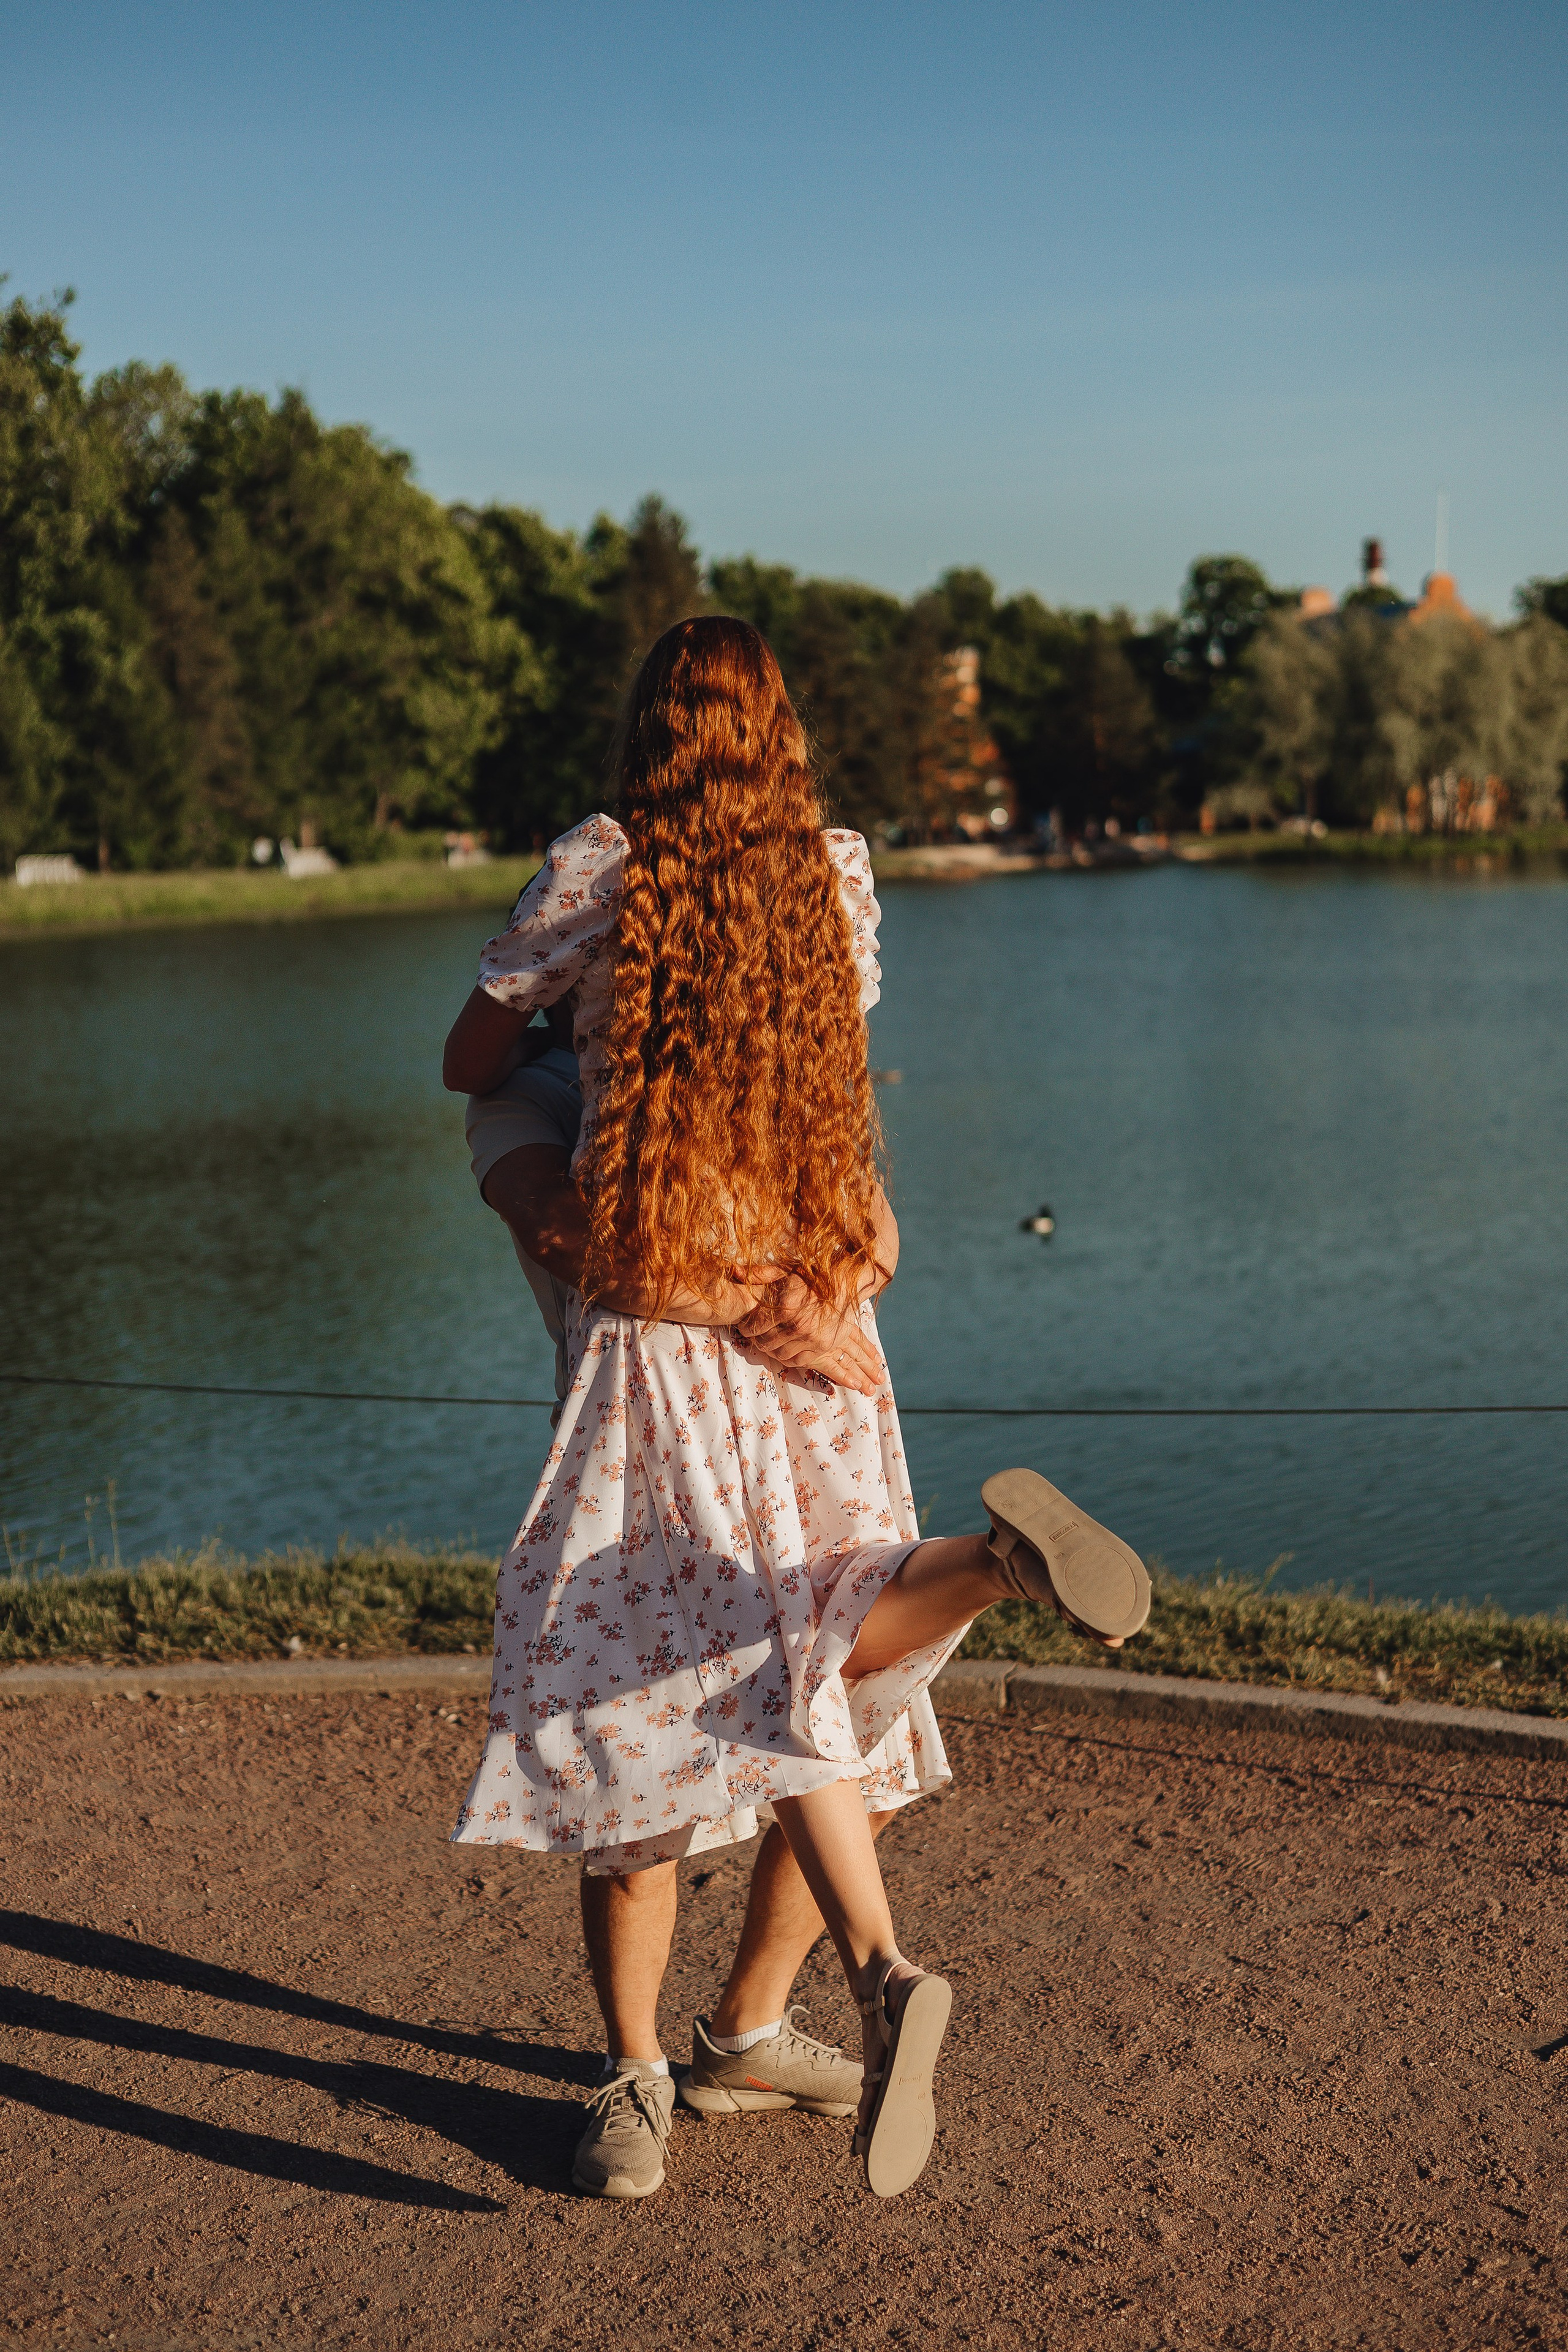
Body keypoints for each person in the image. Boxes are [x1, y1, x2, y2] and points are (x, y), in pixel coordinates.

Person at [443, 616, 1150, 2203]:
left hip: (665, 1323)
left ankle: (641, 2077)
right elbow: (825, 1054)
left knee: (637, 1696)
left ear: (646, 728)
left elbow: (470, 1056)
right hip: (830, 1304)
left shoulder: (607, 866)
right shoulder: (834, 874)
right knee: (827, 1645)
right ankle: (979, 1570)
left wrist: (563, 1028)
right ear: (784, 734)